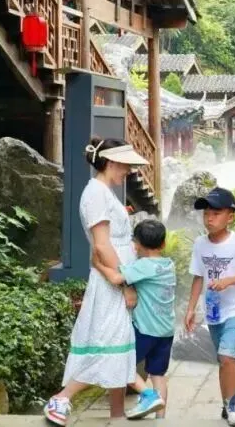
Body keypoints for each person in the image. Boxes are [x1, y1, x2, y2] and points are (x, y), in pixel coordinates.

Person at [45, 138, 150, 426]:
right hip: (112, 281)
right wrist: (125, 283)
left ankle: (117, 413)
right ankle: (62, 397)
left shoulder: (103, 192)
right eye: (125, 165)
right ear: (111, 162)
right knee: (108, 343)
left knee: (120, 343)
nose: (128, 171)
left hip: (116, 276)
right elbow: (102, 245)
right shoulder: (95, 194)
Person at [186, 188, 235, 426]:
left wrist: (228, 281)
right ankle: (228, 401)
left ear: (230, 217)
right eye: (206, 214)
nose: (209, 218)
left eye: (216, 213)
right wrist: (191, 309)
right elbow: (198, 277)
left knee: (228, 356)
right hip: (213, 311)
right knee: (223, 359)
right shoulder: (200, 244)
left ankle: (233, 406)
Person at [90, 217, 176, 419]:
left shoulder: (143, 266)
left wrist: (98, 265)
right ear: (163, 243)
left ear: (137, 245)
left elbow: (116, 278)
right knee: (158, 374)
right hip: (166, 330)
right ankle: (160, 419)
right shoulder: (168, 265)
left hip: (146, 330)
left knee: (121, 364)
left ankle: (148, 396)